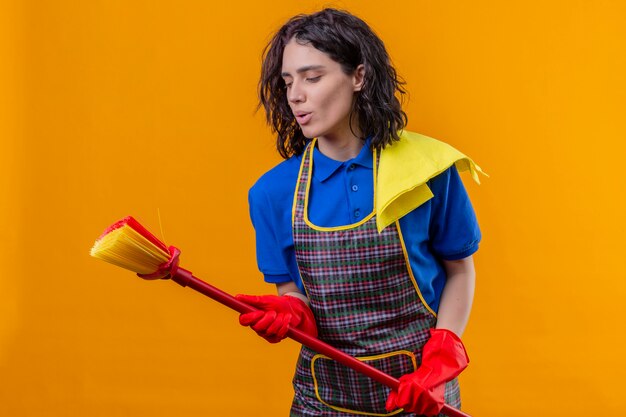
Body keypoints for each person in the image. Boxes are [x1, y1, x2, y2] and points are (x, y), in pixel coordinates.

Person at [236, 8, 484, 417]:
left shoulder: (425, 170)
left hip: (420, 392)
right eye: (287, 81)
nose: (295, 94)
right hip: (324, 399)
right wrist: (292, 312)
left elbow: (460, 268)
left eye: (312, 77)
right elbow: (293, 293)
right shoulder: (272, 193)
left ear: (359, 76)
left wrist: (443, 351)